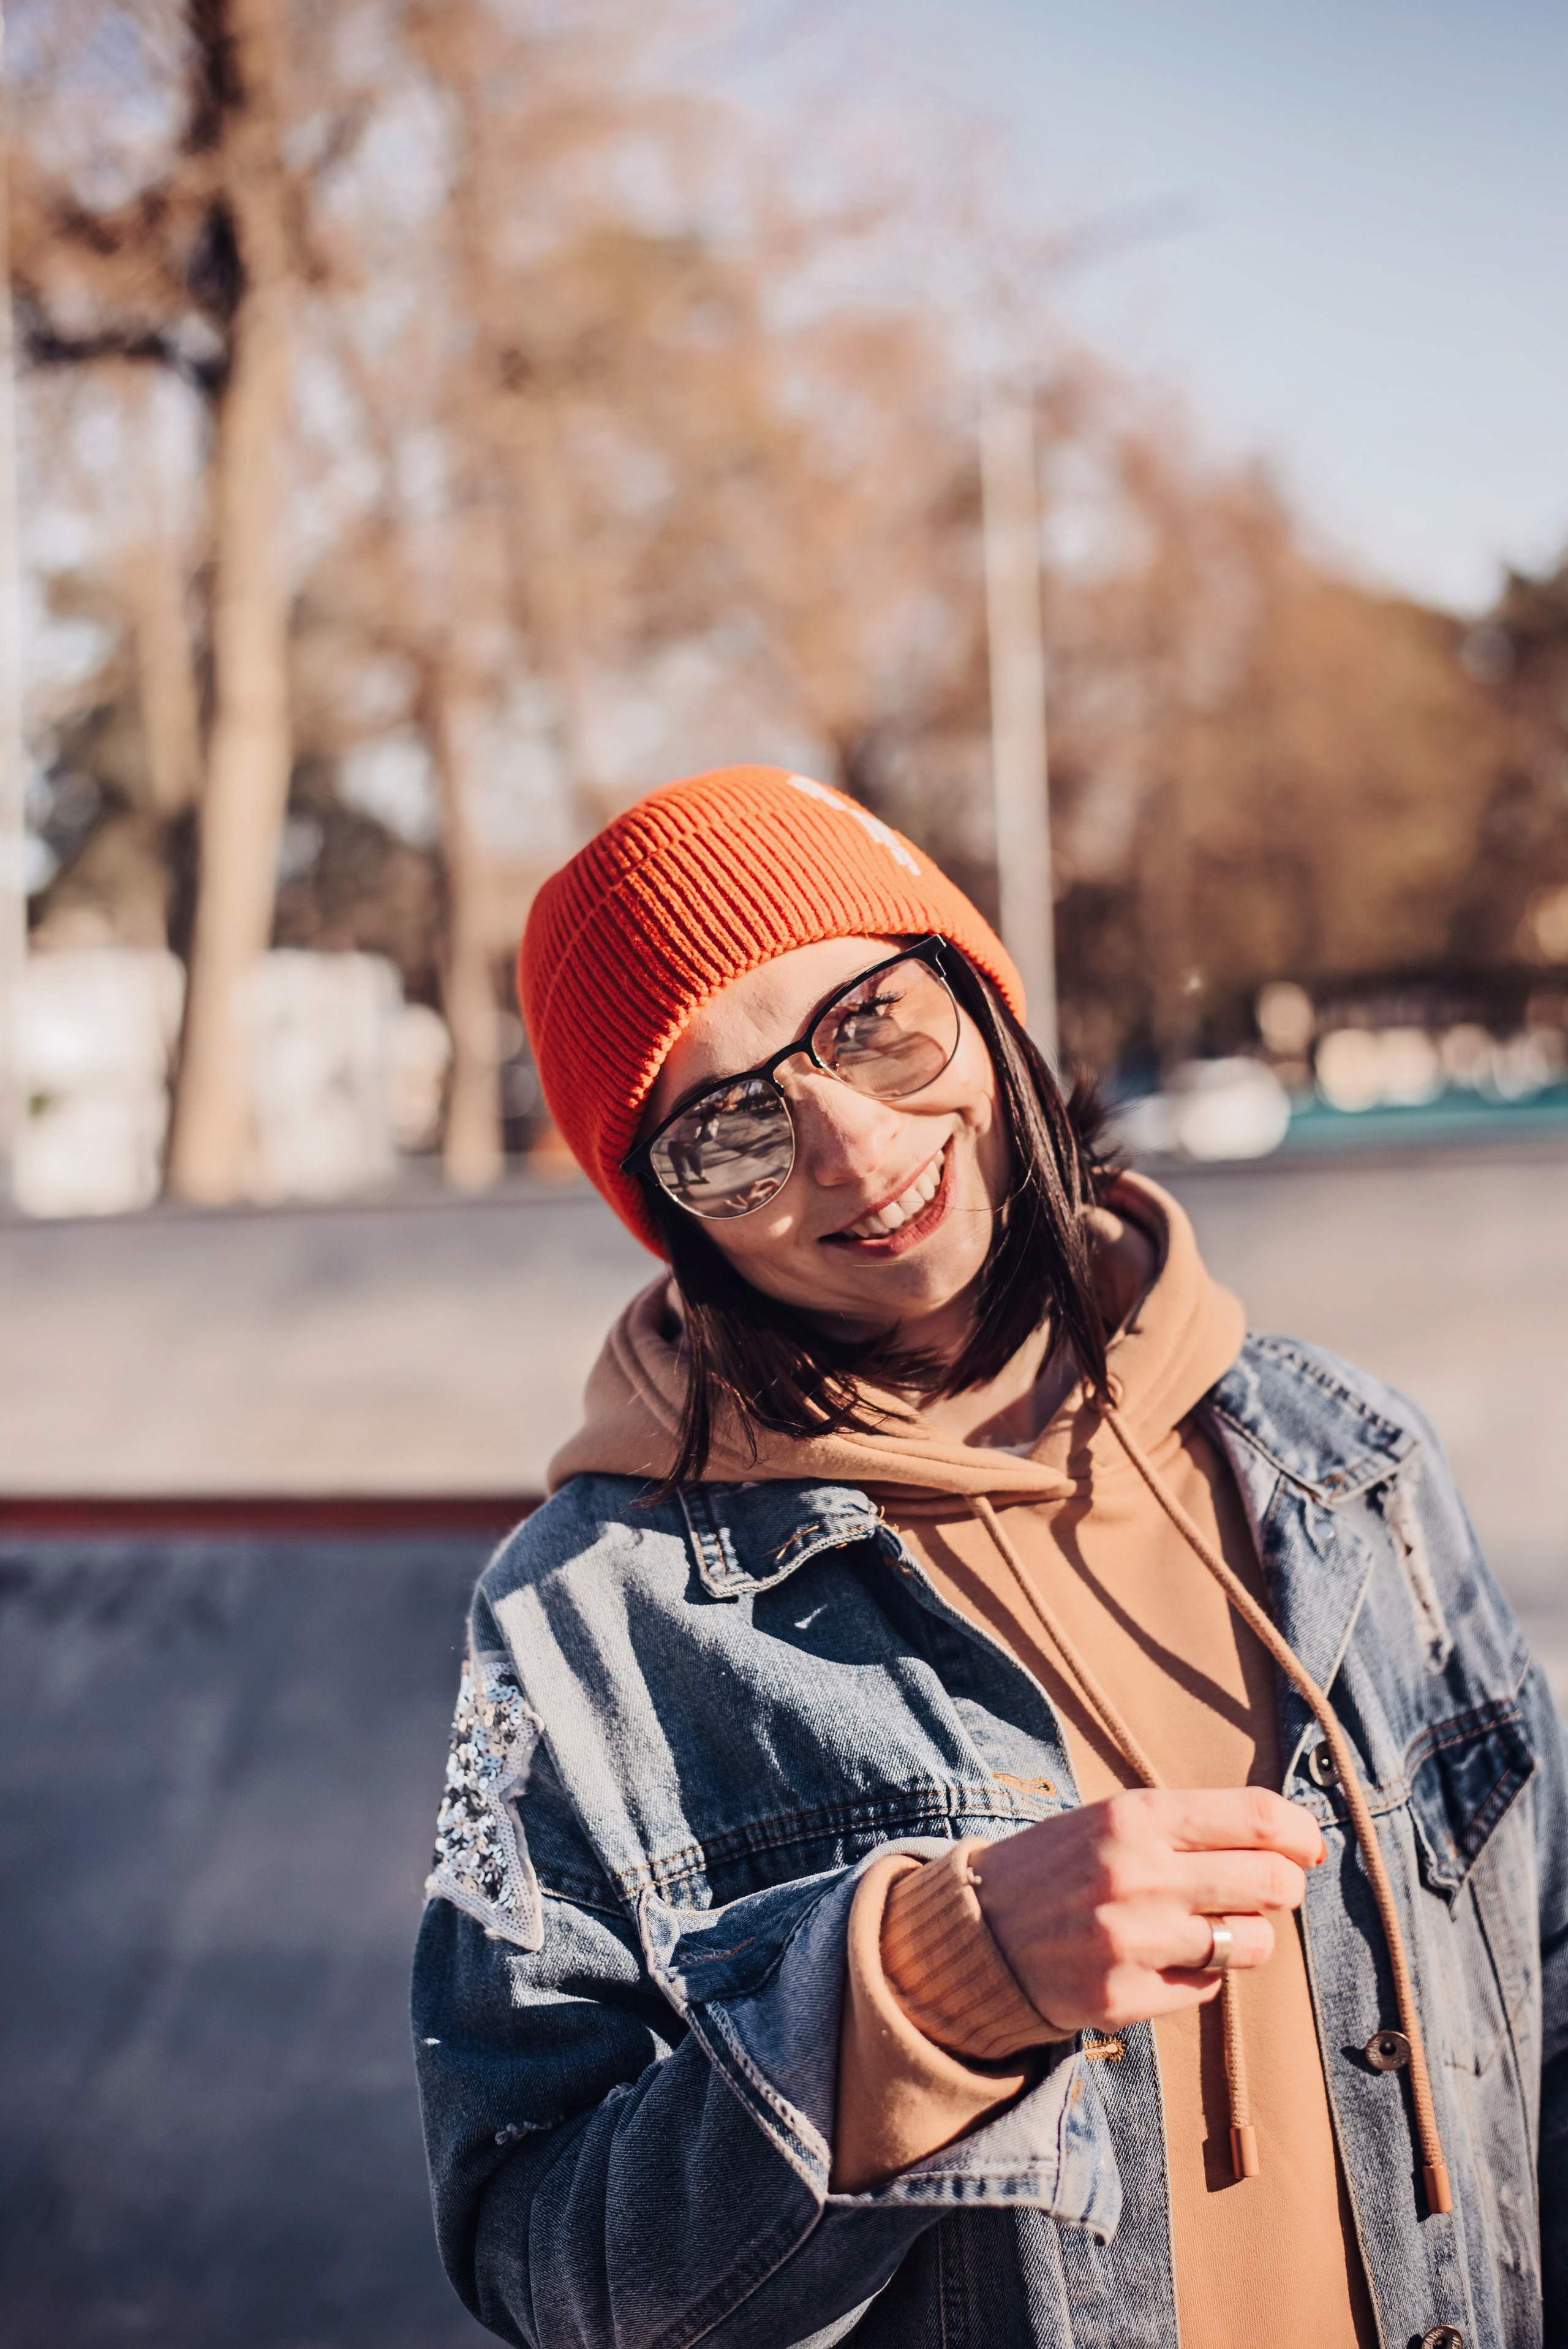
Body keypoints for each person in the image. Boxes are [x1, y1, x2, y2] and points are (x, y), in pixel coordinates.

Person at [413, 764, 1567, 2349]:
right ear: (674, 1217)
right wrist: (909, 2001)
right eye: (728, 1131)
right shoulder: (581, 1628)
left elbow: (1548, 1983)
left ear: (976, 994)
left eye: (872, 1021)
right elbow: (543, 2256)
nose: (850, 1142)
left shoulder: (1350, 1455)